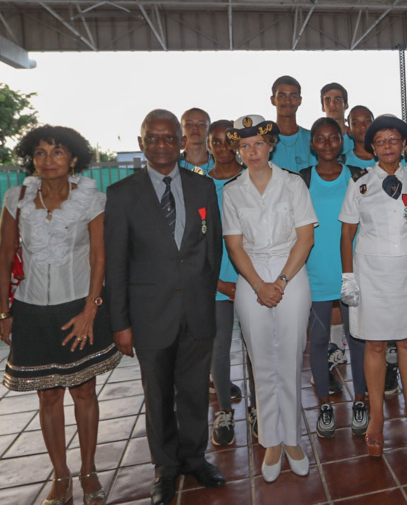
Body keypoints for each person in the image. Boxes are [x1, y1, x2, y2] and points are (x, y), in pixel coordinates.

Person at [0, 126, 121, 505]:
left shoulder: (92, 199)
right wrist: (4, 312)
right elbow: (3, 257)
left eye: (57, 152)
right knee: (47, 395)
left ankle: (88, 472)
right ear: (30, 159)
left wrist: (90, 309)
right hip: (31, 309)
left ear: (74, 159)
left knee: (83, 390)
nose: (48, 161)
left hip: (78, 305)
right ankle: (61, 476)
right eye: (40, 153)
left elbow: (99, 258)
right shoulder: (16, 197)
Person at [106, 109, 225, 505]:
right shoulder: (122, 194)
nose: (161, 144)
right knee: (157, 396)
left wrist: (204, 296)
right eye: (152, 138)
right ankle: (165, 468)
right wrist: (120, 322)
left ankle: (194, 458)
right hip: (149, 314)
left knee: (193, 391)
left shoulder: (202, 188)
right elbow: (116, 263)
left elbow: (213, 248)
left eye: (168, 137)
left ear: (181, 142)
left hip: (196, 310)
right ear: (141, 143)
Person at [222, 115, 317, 482]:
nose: (252, 151)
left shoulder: (292, 184)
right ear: (238, 151)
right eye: (244, 146)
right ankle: (271, 441)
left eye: (258, 144)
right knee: (261, 359)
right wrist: (260, 285)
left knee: (291, 355)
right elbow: (234, 245)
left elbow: (305, 237)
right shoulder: (233, 191)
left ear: (271, 145)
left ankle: (293, 438)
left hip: (290, 269)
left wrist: (278, 281)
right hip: (250, 275)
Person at [339, 115, 407, 457]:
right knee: (376, 346)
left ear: (404, 144)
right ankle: (377, 419)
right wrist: (348, 276)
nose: (386, 146)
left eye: (393, 140)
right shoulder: (360, 183)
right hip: (371, 274)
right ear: (372, 147)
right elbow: (347, 233)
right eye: (379, 141)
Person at [301, 117, 369, 439]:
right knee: (317, 340)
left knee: (357, 339)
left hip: (351, 272)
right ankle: (325, 404)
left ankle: (360, 400)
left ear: (341, 141)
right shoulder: (301, 180)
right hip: (314, 274)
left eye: (333, 139)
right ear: (312, 143)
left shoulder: (356, 177)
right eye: (320, 139)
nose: (327, 144)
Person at [205, 119, 247, 447]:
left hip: (251, 278)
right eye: (215, 142)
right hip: (215, 281)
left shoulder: (251, 178)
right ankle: (223, 410)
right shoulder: (199, 185)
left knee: (255, 345)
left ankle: (259, 408)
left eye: (228, 141)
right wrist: (219, 283)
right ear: (208, 146)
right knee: (220, 347)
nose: (222, 148)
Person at [271, 75, 317, 172]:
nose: (288, 101)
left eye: (293, 96)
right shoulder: (264, 140)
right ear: (273, 100)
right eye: (282, 96)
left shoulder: (313, 139)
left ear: (300, 100)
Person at [321, 82, 355, 154]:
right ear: (323, 107)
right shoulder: (317, 140)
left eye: (337, 99)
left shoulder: (356, 137)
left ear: (346, 105)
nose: (332, 104)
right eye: (328, 100)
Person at [179, 108, 215, 174]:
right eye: (189, 124)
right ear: (181, 129)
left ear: (209, 129)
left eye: (201, 124)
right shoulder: (171, 165)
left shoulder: (222, 165)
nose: (195, 127)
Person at [344, 105, 377, 170]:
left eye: (367, 121)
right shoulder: (342, 162)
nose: (363, 126)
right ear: (349, 131)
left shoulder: (390, 157)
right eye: (356, 123)